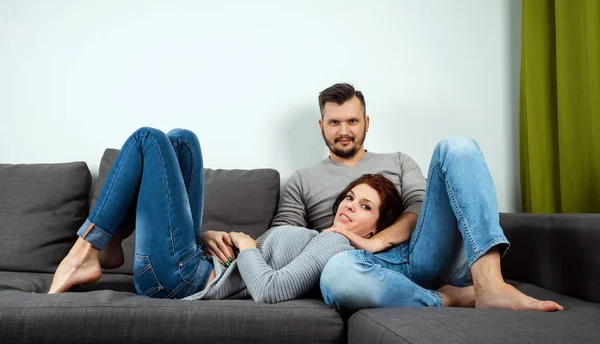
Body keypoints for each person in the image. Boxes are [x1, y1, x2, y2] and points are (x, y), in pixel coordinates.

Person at [205, 83, 563, 313]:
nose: (344, 130)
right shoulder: (303, 180)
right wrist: (219, 242)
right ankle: (444, 298)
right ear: (321, 126)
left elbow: (423, 208)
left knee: (458, 147)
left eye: (352, 121)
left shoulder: (398, 162)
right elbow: (284, 239)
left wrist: (380, 240)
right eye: (334, 123)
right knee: (337, 273)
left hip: (419, 251)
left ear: (366, 122)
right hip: (360, 267)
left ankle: (491, 285)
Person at [48, 126, 407, 303]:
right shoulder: (314, 234)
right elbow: (246, 259)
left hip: (184, 281)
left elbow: (270, 290)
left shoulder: (337, 246)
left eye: (365, 206)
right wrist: (210, 237)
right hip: (197, 262)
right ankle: (110, 241)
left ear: (377, 229)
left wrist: (246, 245)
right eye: (350, 197)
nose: (349, 205)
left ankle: (86, 249)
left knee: (147, 139)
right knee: (182, 141)